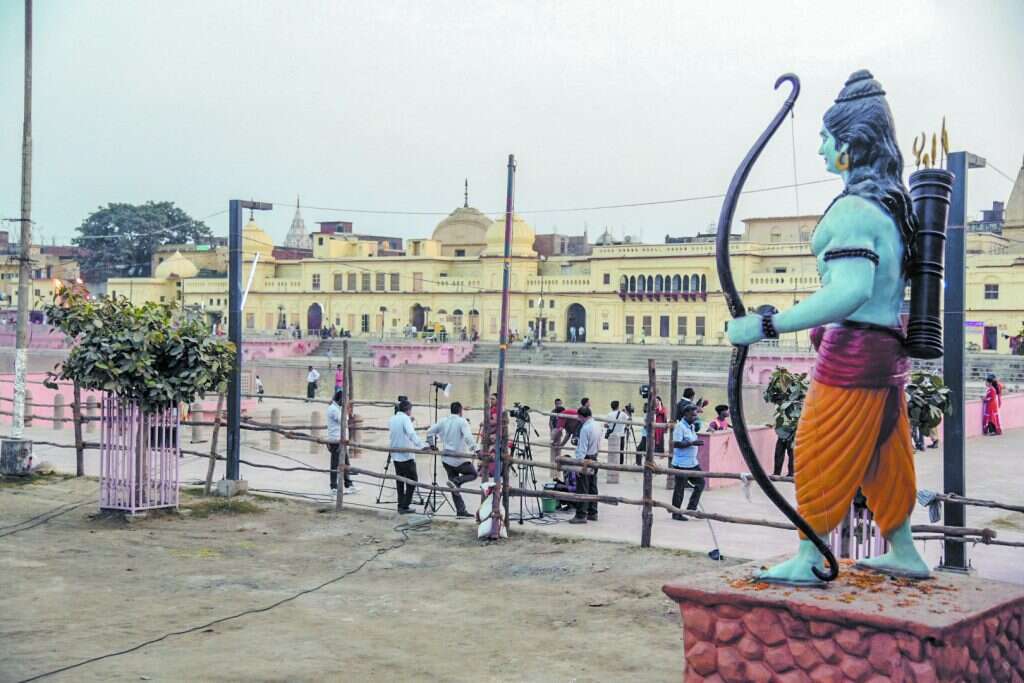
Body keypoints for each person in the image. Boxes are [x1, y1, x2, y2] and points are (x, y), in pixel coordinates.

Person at [727, 70, 929, 583]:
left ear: (849, 148)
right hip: (887, 355)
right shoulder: (890, 208)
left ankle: (809, 557)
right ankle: (903, 549)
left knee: (819, 449)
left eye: (826, 139)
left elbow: (849, 291)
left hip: (854, 354)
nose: (819, 148)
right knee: (886, 454)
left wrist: (768, 325)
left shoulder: (854, 212)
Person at [427, 402, 479, 518]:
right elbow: (468, 437)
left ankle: (461, 510)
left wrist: (431, 445)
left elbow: (429, 432)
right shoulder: (462, 421)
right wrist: (477, 450)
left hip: (446, 460)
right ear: (461, 411)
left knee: (454, 487)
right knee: (473, 474)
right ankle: (457, 481)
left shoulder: (443, 421)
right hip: (459, 459)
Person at [389, 399, 428, 513]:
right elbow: (411, 434)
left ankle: (400, 504)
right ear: (408, 410)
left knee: (400, 480)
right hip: (406, 455)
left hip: (395, 455)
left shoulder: (393, 419)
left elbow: (398, 432)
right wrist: (421, 445)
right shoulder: (405, 419)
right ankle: (405, 505)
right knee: (413, 480)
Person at [669, 404, 706, 521]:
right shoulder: (680, 427)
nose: (695, 417)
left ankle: (691, 508)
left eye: (696, 415)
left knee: (701, 483)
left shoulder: (692, 427)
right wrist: (692, 443)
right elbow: (676, 444)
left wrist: (694, 442)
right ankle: (676, 513)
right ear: (686, 414)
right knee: (679, 489)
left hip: (692, 463)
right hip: (681, 463)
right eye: (693, 415)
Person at [569, 406, 602, 524]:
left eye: (579, 417)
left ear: (582, 416)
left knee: (582, 487)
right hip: (594, 456)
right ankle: (593, 512)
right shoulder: (597, 425)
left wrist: (579, 464)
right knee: (593, 486)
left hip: (586, 458)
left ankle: (581, 514)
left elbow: (582, 448)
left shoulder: (585, 428)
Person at [327, 390, 356, 494]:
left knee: (346, 463)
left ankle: (349, 484)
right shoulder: (333, 409)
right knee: (335, 464)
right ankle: (333, 487)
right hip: (335, 440)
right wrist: (347, 411)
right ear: (340, 400)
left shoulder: (337, 408)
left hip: (341, 440)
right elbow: (343, 419)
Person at [605, 400, 627, 465]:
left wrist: (610, 425)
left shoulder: (609, 414)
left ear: (611, 407)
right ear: (618, 406)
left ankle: (612, 463)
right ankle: (620, 465)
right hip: (621, 435)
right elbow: (629, 421)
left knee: (612, 451)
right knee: (621, 451)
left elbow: (606, 424)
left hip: (612, 435)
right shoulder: (623, 414)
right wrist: (626, 412)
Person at [549, 398, 568, 471]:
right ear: (555, 404)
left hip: (559, 431)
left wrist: (561, 431)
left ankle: (558, 464)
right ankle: (553, 464)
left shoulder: (563, 410)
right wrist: (552, 432)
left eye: (560, 403)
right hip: (554, 430)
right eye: (557, 403)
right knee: (553, 448)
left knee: (558, 448)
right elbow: (550, 423)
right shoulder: (553, 411)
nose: (559, 405)